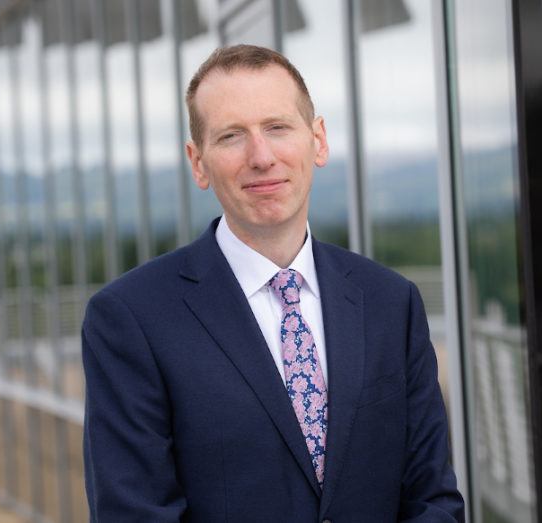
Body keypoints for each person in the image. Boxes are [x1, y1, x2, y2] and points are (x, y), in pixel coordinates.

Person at [82, 44, 464, 522]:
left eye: (277, 128)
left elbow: (433, 499)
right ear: (198, 162)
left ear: (318, 140)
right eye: (231, 136)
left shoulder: (390, 302)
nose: (261, 157)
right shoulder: (131, 318)